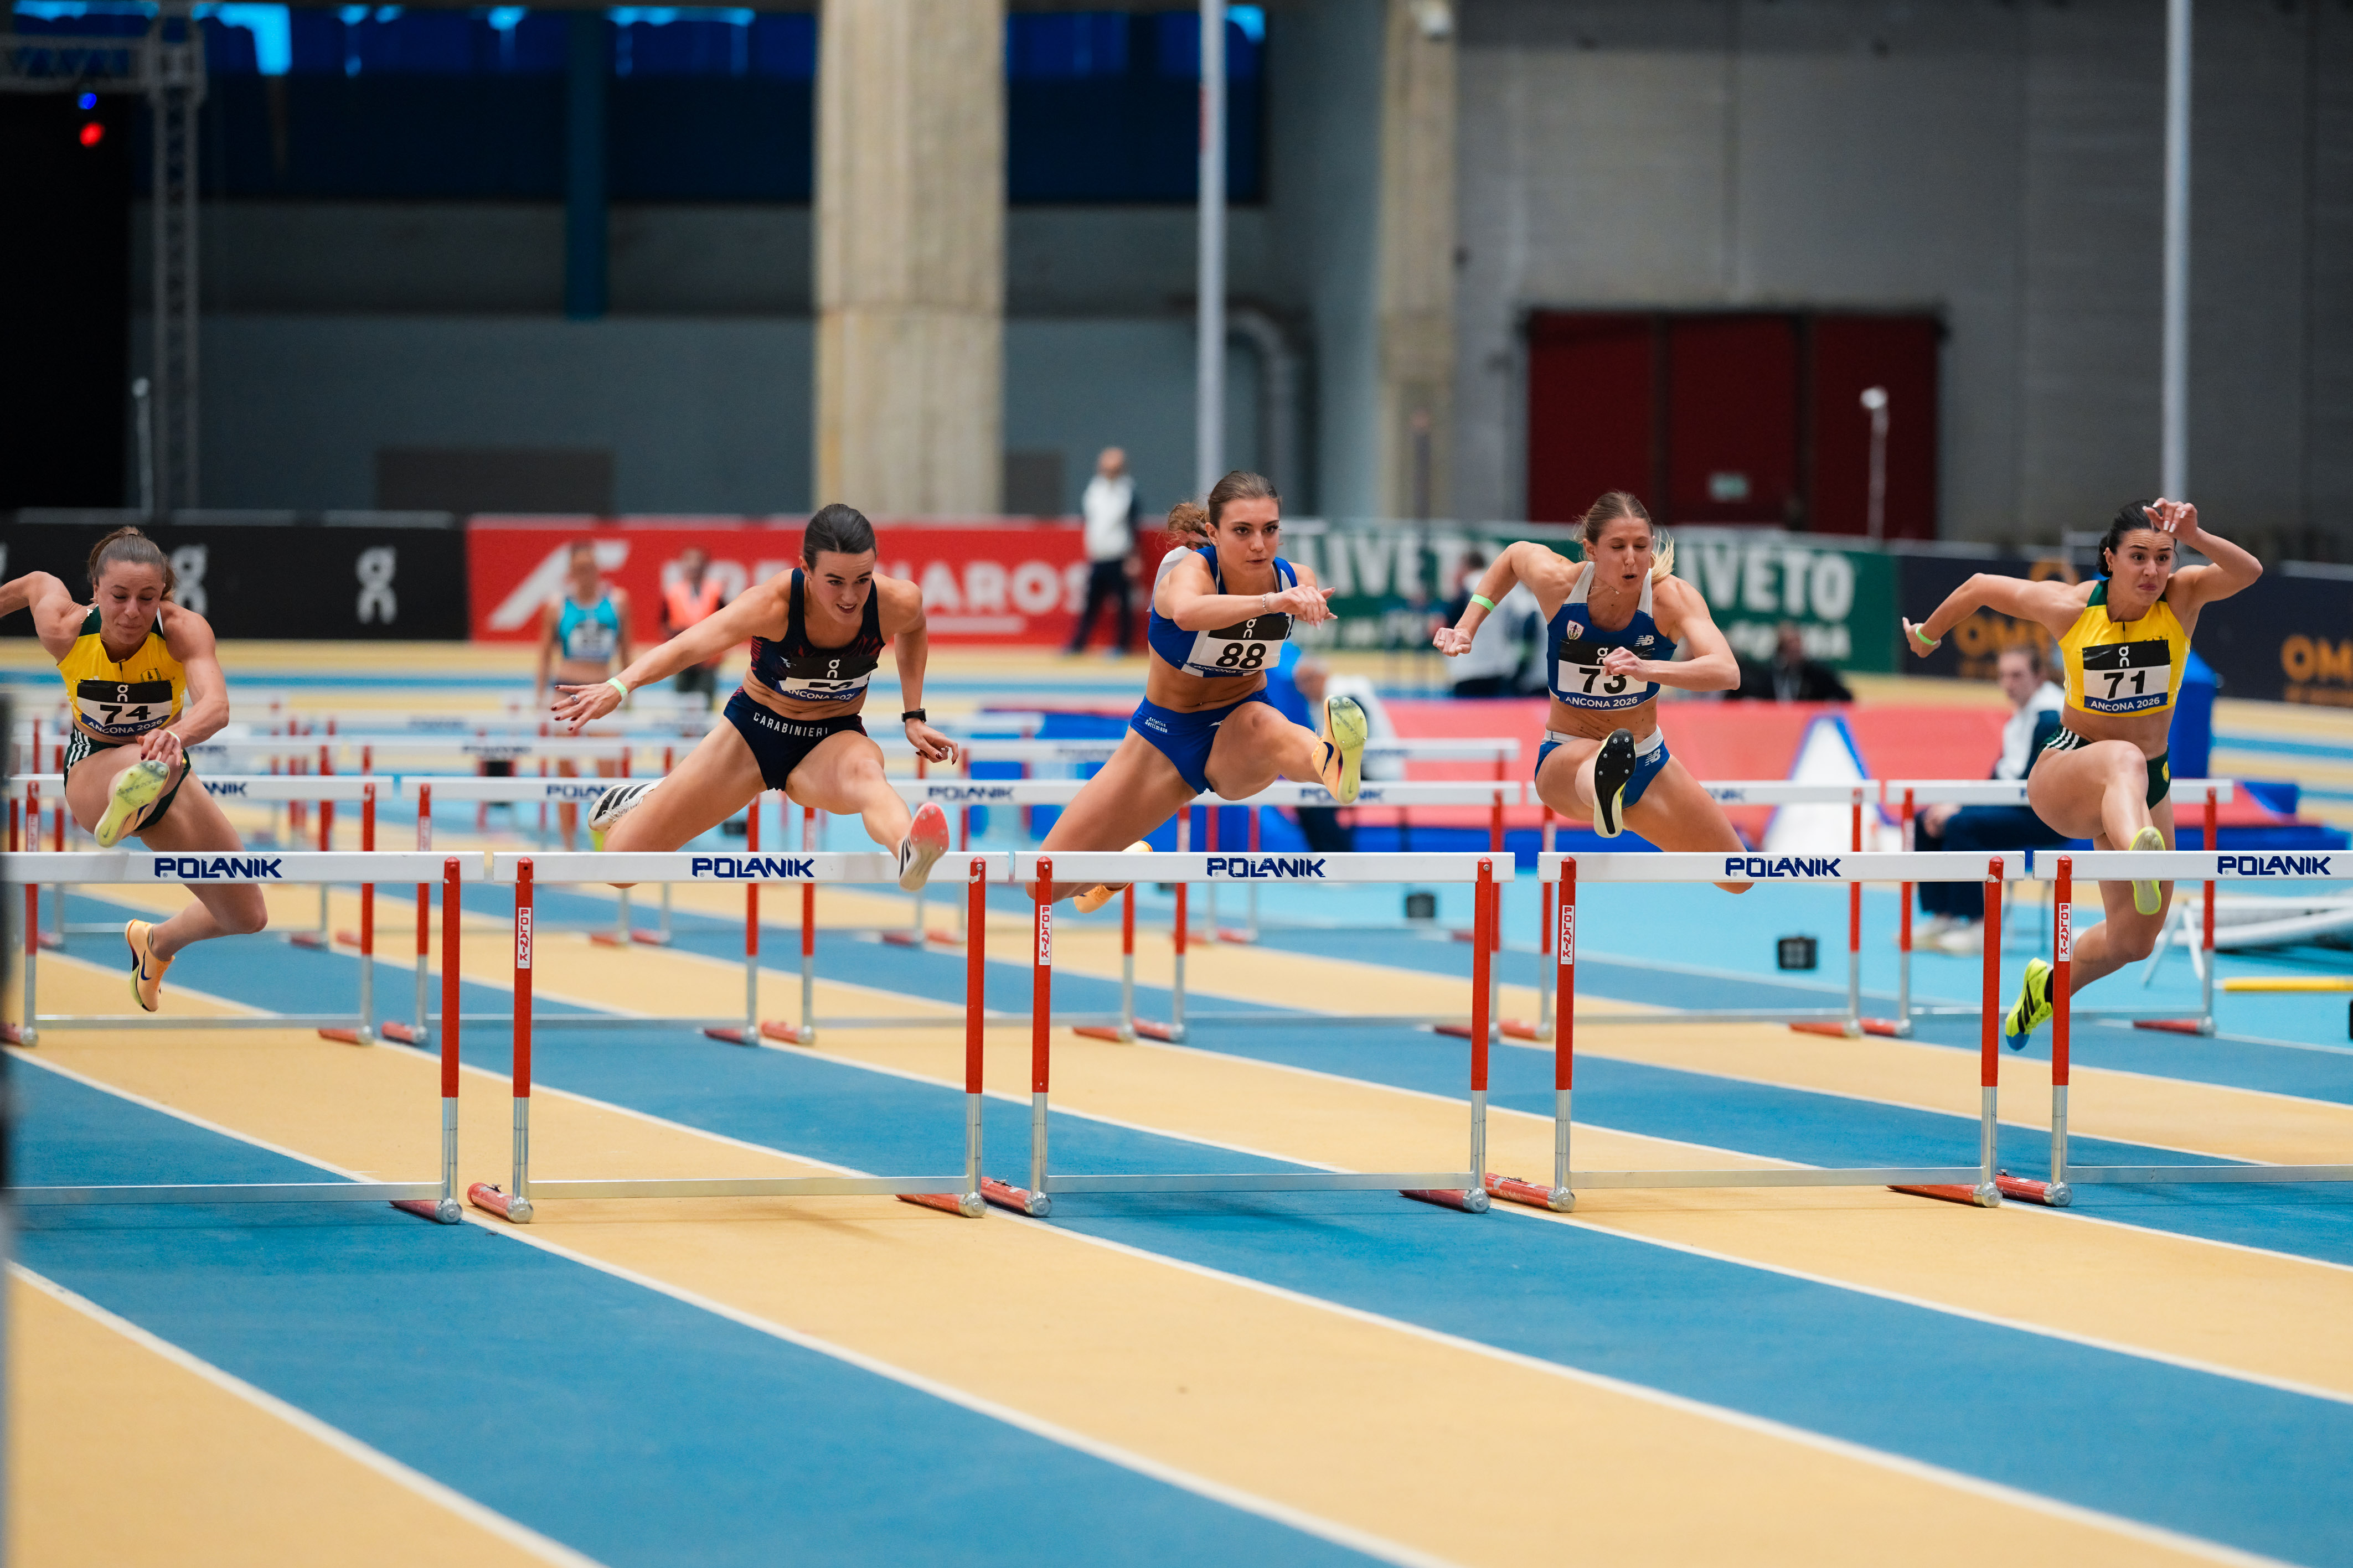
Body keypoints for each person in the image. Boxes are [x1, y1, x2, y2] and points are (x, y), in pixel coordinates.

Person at [1901, 499, 2261, 1046]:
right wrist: (1927, 635)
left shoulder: (2181, 598)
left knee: (2134, 940)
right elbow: (1978, 586)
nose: (2152, 571)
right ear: (2109, 559)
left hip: (2147, 782)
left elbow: (2248, 572)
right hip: (2067, 770)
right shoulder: (2071, 608)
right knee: (2122, 757)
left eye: (2163, 557)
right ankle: (2139, 853)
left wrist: (2196, 535)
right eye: (2137, 557)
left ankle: (2048, 986)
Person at [562, 504, 956, 892]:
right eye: (835, 582)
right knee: (620, 867)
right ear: (806, 569)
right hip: (752, 735)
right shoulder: (773, 604)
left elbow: (915, 627)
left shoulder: (896, 602)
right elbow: (689, 646)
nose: (850, 597)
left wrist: (914, 715)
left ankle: (910, 852)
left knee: (868, 775)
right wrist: (619, 686)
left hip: (832, 739)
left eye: (862, 580)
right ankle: (651, 794)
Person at [1034, 469, 1368, 910]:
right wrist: (1272, 604)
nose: (1259, 544)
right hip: (1164, 739)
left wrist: (1306, 602)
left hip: (1238, 729)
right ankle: (1110, 874)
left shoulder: (1293, 578)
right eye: (1242, 531)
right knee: (1044, 885)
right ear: (1213, 533)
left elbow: (1306, 596)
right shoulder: (1187, 573)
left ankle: (1331, 762)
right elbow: (1189, 613)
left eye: (1269, 530)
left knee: (1267, 724)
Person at [0, 528, 267, 1011]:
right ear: (95, 591)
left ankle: (156, 942)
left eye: (147, 598)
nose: (132, 612)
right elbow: (33, 583)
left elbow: (217, 706)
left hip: (166, 766)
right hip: (92, 770)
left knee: (247, 916)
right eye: (119, 596)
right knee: (147, 764)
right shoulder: (65, 627)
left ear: (163, 594)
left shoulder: (183, 629)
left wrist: (176, 735)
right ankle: (127, 800)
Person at [1434, 490, 1750, 892]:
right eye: (1617, 547)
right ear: (1591, 550)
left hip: (1648, 758)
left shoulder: (1671, 597)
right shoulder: (1560, 584)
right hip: (1566, 758)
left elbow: (1727, 671)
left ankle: (1616, 801)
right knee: (1597, 761)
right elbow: (1513, 557)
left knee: (1738, 876)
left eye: (1641, 546)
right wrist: (1467, 626)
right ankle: (1606, 788)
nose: (1631, 559)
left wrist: (1647, 667)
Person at [1911, 643, 2068, 953]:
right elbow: (1997, 780)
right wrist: (1955, 804)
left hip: (2045, 818)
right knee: (1926, 819)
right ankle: (1944, 916)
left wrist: (1960, 809)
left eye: (2017, 675)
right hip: (2016, 806)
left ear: (2039, 676)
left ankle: (1978, 925)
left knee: (1960, 825)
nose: (2008, 684)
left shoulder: (2050, 719)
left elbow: (2030, 787)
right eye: (2003, 676)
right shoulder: (2018, 719)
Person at [537, 541, 633, 850]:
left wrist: (628, 692)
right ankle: (568, 844)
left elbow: (626, 651)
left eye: (590, 567)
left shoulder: (617, 601)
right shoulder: (557, 605)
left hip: (604, 689)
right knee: (566, 770)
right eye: (579, 569)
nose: (586, 574)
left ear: (598, 568)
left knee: (607, 769)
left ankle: (602, 841)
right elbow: (544, 655)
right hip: (566, 690)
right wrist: (539, 699)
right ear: (571, 571)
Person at [1065, 447, 1142, 656]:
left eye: (1114, 468)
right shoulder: (1093, 491)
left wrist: (1133, 557)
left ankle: (1123, 645)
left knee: (1124, 605)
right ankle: (1078, 643)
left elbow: (1133, 526)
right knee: (1091, 603)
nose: (1109, 472)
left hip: (1120, 557)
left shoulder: (1127, 493)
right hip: (1098, 556)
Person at [1432, 551, 1541, 698]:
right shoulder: (1505, 586)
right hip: (1498, 666)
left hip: (1468, 667)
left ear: (1464, 567)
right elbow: (1527, 617)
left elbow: (1441, 623)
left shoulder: (1468, 585)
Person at [662, 546, 729, 707]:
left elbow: (727, 625)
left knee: (705, 708)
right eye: (689, 561)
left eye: (698, 561)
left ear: (706, 565)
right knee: (681, 707)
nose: (694, 566)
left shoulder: (716, 592)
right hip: (681, 661)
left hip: (708, 662)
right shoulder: (673, 593)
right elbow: (664, 624)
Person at [1736, 621, 1854, 702]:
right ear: (1781, 649)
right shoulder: (1768, 675)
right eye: (1790, 646)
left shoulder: (1816, 674)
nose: (1796, 649)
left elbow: (1844, 696)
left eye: (1798, 645)